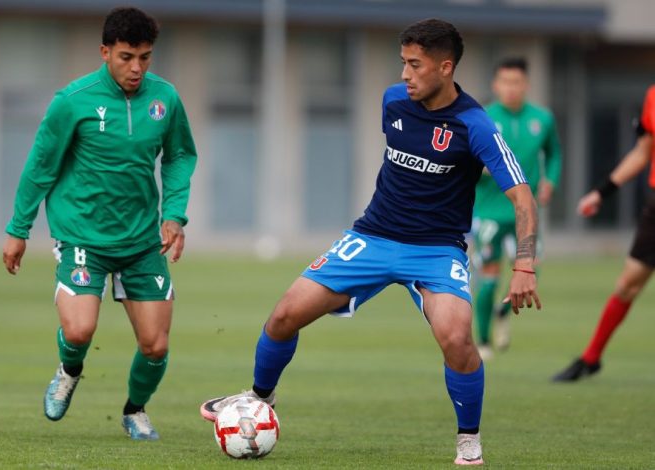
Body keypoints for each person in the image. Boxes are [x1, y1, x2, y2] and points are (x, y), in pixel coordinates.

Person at [200, 19, 541, 465]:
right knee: (284, 315)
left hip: (436, 250)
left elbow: (523, 198)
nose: (404, 74)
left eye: (415, 65)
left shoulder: (476, 126)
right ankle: (259, 398)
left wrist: (524, 265)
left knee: (458, 339)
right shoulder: (394, 101)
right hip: (373, 237)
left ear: (445, 67)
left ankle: (468, 442)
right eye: (403, 63)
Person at [1, 7, 197, 440]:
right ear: (105, 52)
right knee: (79, 329)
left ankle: (135, 410)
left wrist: (174, 214)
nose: (137, 68)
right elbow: (41, 165)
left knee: (156, 345)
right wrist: (18, 229)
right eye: (127, 57)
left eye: (145, 57)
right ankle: (70, 370)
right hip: (82, 235)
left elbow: (181, 155)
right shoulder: (73, 101)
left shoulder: (166, 99)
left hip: (142, 240)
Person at [553, 85, 654, 382]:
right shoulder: (651, 96)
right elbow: (642, 153)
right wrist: (601, 192)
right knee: (626, 286)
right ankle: (591, 357)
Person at [472, 58, 562, 360]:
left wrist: (550, 180)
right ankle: (483, 341)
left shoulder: (542, 119)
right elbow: (465, 159)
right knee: (489, 277)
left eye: (517, 82)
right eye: (505, 82)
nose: (511, 88)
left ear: (526, 85)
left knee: (527, 272)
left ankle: (502, 312)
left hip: (525, 214)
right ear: (495, 85)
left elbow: (554, 155)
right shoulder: (482, 118)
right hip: (489, 213)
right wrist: (479, 168)